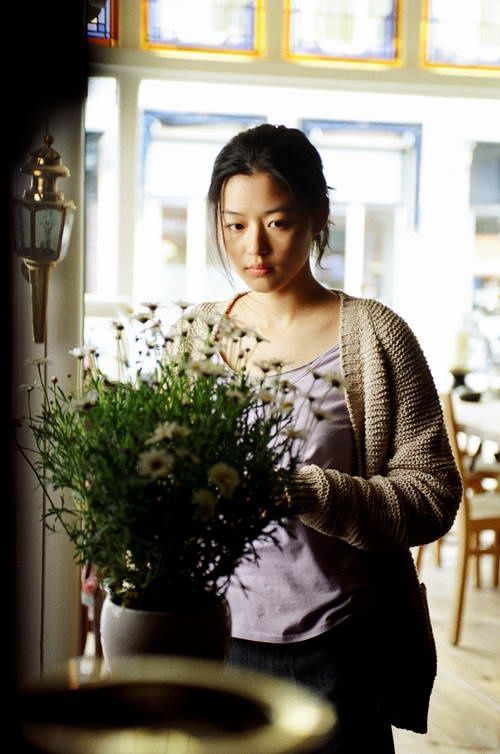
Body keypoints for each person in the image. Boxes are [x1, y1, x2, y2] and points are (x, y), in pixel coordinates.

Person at [180, 123, 462, 753]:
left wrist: (305, 492)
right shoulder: (194, 337)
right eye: (234, 225)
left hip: (339, 648)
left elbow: (434, 495)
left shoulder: (376, 337)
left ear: (317, 218)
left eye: (277, 222)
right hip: (209, 640)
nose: (253, 247)